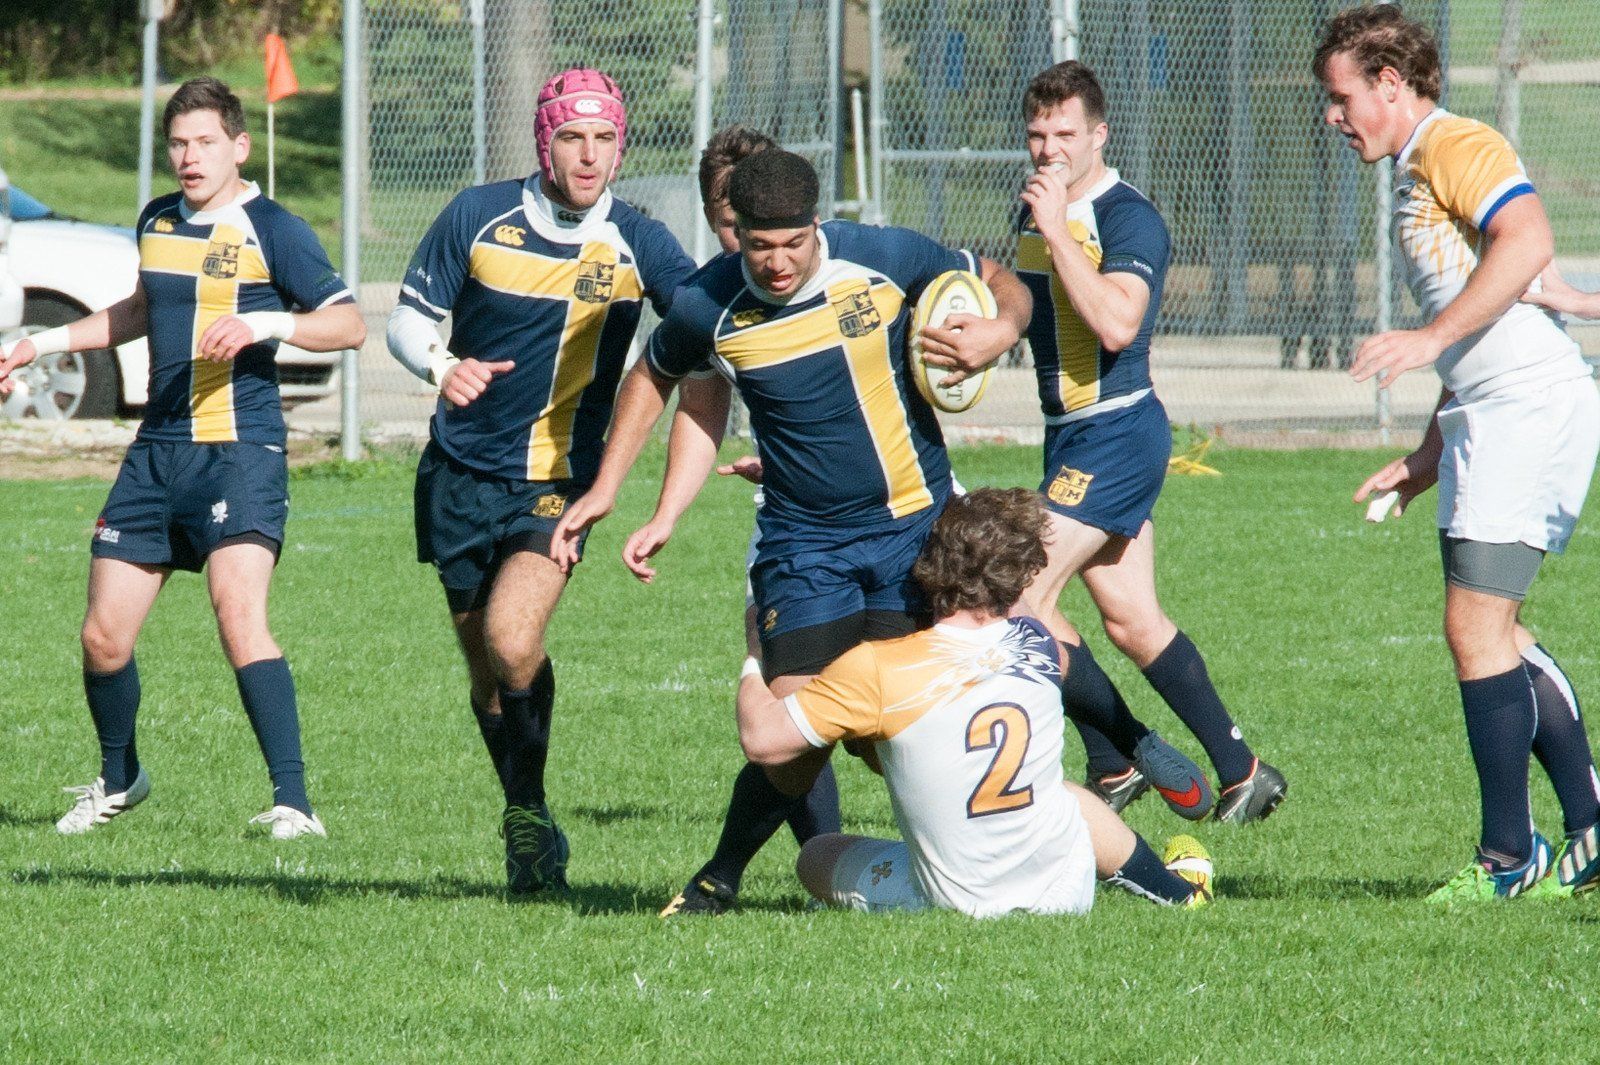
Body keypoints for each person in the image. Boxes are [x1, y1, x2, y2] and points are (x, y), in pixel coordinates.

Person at [550, 149, 1032, 915]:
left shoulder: (880, 257)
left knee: (906, 733)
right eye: (758, 246)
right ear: (734, 230)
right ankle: (720, 877)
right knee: (794, 727)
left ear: (816, 225)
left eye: (792, 244)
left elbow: (995, 275)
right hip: (803, 546)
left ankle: (1110, 781)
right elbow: (662, 380)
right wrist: (621, 494)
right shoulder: (708, 303)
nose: (776, 263)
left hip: (913, 533)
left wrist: (1000, 328)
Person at [0, 77, 365, 839]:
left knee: (238, 614)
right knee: (102, 637)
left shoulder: (276, 229)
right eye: (178, 143)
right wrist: (39, 342)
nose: (189, 157)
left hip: (240, 448)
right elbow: (139, 310)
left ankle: (294, 802)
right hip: (157, 452)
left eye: (204, 142)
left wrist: (267, 325)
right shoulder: (158, 218)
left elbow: (350, 324)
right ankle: (120, 775)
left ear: (239, 145)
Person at [384, 68, 697, 894]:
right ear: (544, 141)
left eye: (605, 139)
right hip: (458, 475)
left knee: (513, 637)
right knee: (487, 673)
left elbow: (702, 318)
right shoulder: (477, 215)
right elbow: (408, 319)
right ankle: (531, 815)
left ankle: (524, 817)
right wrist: (442, 365)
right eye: (573, 137)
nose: (590, 156)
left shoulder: (638, 238)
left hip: (557, 481)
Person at [1316, 5, 1600, 900]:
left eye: (1341, 95)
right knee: (1497, 630)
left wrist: (1423, 335)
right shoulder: (1416, 170)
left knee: (1476, 630)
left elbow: (1530, 245)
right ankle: (1587, 831)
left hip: (1527, 410)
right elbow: (1519, 294)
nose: (1332, 115)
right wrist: (1426, 453)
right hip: (1490, 413)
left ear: (1390, 85)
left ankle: (1509, 859)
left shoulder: (1455, 142)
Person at [1009, 60, 1285, 824]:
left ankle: (1115, 753)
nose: (1048, 149)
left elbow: (1118, 324)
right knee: (1132, 620)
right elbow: (1027, 312)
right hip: (1069, 437)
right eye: (1036, 134)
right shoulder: (1035, 208)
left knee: (1016, 596)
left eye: (1065, 133)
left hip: (1119, 432)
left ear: (1100, 134)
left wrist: (1058, 230)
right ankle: (1241, 768)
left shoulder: (1128, 219)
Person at [735, 488, 1214, 915]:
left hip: (958, 900)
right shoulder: (1039, 643)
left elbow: (764, 743)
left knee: (815, 856)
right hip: (1067, 892)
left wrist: (758, 649)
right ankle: (1173, 894)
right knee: (1068, 797)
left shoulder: (878, 668)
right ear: (1023, 578)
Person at [622, 124, 845, 847]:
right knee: (796, 686)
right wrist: (664, 513)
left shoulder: (846, 274)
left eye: (776, 231)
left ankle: (1113, 752)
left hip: (890, 506)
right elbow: (698, 404)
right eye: (733, 226)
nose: (751, 245)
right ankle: (823, 858)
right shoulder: (715, 303)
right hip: (792, 514)